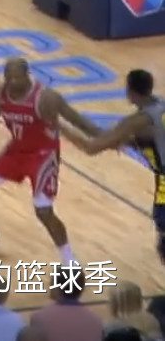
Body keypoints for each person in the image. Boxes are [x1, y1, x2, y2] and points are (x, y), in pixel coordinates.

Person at [0, 58, 101, 263]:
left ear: (27, 76)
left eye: (17, 78)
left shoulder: (46, 98)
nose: (12, 83)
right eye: (8, 78)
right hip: (17, 150)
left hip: (43, 156)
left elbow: (77, 120)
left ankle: (69, 261)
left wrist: (106, 137)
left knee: (43, 210)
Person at [61, 70, 165, 266]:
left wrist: (58, 125)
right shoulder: (160, 105)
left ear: (130, 91)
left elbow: (91, 147)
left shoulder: (138, 121)